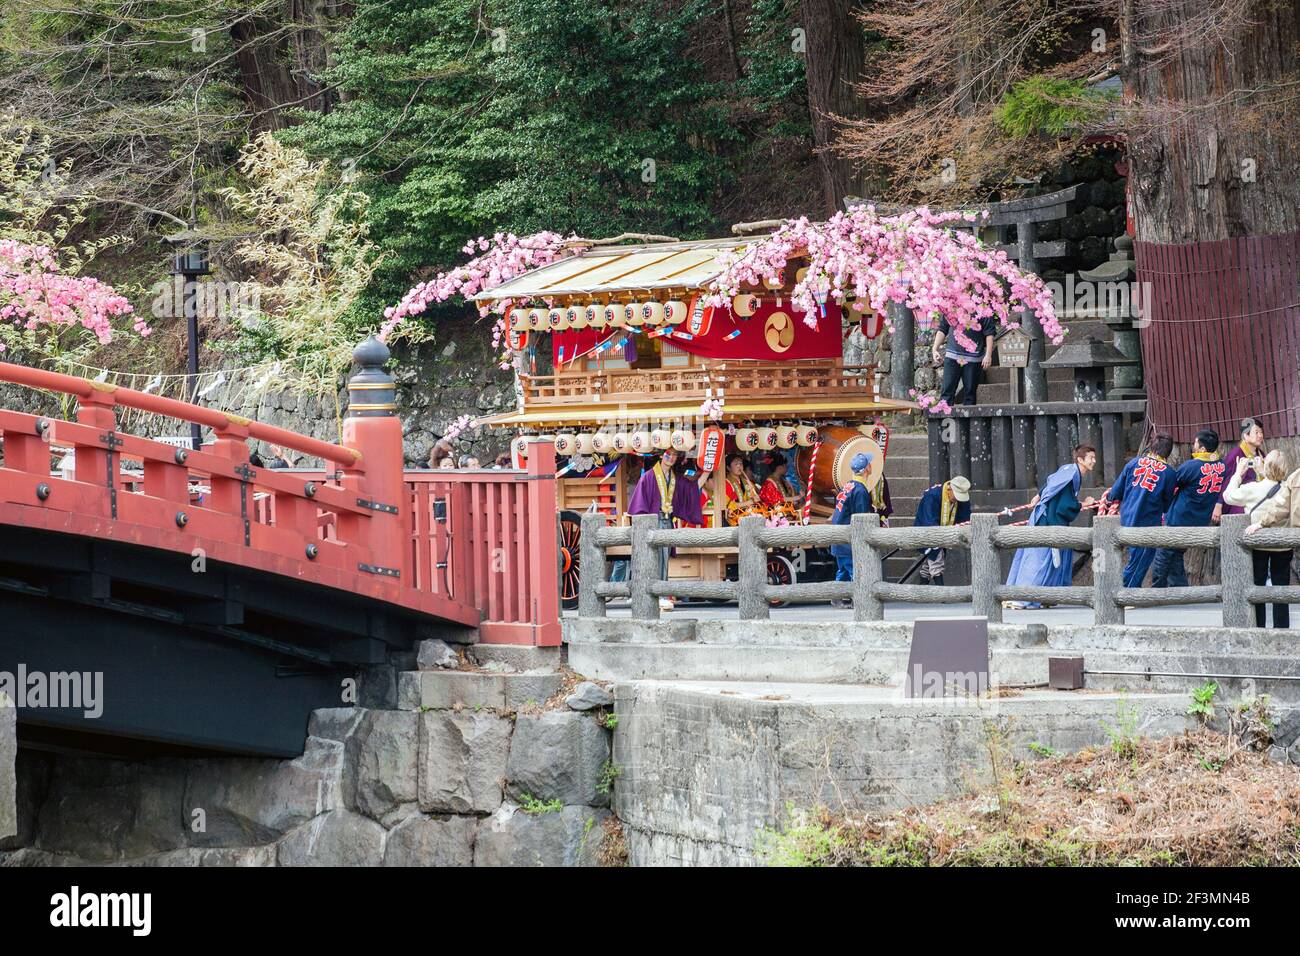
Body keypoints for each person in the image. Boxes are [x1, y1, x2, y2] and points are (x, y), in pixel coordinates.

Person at [1004, 445, 1098, 608]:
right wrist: (1083, 503)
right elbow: (1065, 505)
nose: (1094, 461)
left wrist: (1039, 495)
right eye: (1091, 457)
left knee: (1052, 561)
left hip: (1051, 520)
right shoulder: (1071, 473)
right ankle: (1021, 598)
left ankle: (1044, 597)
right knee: (1037, 560)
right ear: (1080, 459)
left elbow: (1051, 484)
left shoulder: (1070, 471)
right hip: (1046, 521)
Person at [627, 448, 707, 610]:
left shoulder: (675, 479)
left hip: (667, 521)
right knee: (650, 558)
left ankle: (662, 594)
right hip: (652, 522)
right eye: (668, 454)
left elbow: (692, 489)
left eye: (674, 455)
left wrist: (707, 471)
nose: (671, 458)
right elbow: (639, 505)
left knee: (664, 558)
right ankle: (645, 593)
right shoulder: (648, 477)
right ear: (661, 455)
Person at [1150, 429, 1224, 588]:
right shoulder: (1221, 466)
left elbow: (1172, 483)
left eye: (1195, 443)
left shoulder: (1192, 466)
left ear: (1202, 448)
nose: (1193, 446)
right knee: (1175, 554)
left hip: (1179, 519)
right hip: (1199, 521)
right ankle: (1179, 589)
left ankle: (1156, 591)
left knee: (1163, 554)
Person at [1103, 434, 1176, 587]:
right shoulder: (1168, 473)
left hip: (1127, 517)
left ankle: (1122, 590)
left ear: (1151, 446)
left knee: (1134, 558)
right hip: (1147, 522)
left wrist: (1108, 500)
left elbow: (1116, 491)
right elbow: (1167, 503)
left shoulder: (1133, 463)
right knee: (1140, 560)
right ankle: (1126, 592)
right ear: (1168, 452)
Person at [1229, 450, 1290, 627]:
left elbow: (1228, 496)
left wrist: (1237, 475)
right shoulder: (1288, 487)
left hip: (1257, 544)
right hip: (1283, 545)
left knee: (1257, 587)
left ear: (1266, 466)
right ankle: (1281, 628)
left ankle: (1259, 627)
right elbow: (1275, 483)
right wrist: (1265, 472)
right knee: (1281, 588)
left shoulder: (1253, 489)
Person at [828, 452, 876, 607]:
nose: (871, 465)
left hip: (838, 536)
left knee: (843, 569)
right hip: (848, 538)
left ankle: (837, 596)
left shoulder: (848, 485)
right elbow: (861, 518)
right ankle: (860, 600)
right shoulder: (860, 490)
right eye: (870, 463)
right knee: (855, 570)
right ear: (866, 468)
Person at [912, 476, 972, 585]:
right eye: (957, 496)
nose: (957, 500)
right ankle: (942, 592)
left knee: (928, 564)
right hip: (927, 530)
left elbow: (965, 518)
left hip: (946, 532)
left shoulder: (960, 500)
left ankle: (922, 591)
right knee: (936, 559)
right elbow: (928, 520)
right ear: (949, 489)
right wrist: (940, 536)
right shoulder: (932, 495)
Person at [931, 313, 995, 407]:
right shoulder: (951, 305)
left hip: (973, 358)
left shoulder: (983, 307)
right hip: (953, 356)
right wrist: (935, 348)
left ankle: (967, 421)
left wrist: (988, 355)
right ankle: (945, 420)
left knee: (970, 393)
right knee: (947, 392)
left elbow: (989, 333)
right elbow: (943, 329)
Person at [1220, 418, 1266, 515]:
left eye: (1261, 432)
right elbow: (1225, 480)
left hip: (1259, 502)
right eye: (1256, 432)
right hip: (1239, 504)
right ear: (1246, 435)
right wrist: (1218, 503)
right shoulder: (1236, 454)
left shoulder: (1262, 455)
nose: (1260, 435)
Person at [723, 454, 760, 525]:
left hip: (749, 517)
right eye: (736, 464)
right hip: (734, 520)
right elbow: (729, 505)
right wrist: (750, 502)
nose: (739, 466)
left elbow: (755, 498)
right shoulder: (726, 483)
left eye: (740, 463)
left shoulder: (746, 482)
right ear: (728, 467)